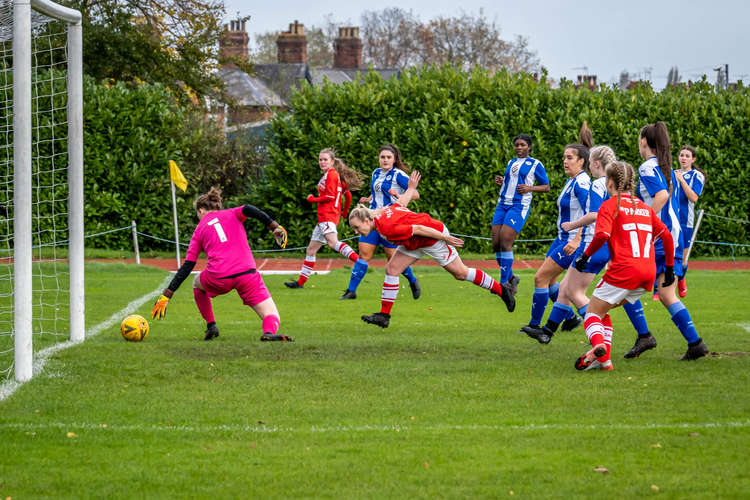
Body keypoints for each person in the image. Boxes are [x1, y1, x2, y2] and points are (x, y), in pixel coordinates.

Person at [525, 124, 655, 347]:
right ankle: (547, 331)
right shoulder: (616, 185)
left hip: (591, 244)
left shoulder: (597, 185)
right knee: (566, 288)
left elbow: (595, 214)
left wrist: (573, 228)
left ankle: (600, 339)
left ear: (595, 164)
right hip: (608, 246)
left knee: (576, 293)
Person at [349, 172, 515, 328]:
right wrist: (411, 189)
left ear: (366, 220)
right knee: (392, 269)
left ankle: (502, 290)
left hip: (432, 237)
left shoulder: (386, 227)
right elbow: (401, 203)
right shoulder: (382, 213)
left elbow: (419, 229)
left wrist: (445, 238)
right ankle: (384, 316)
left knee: (461, 273)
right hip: (415, 242)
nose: (356, 232)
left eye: (356, 227)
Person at [151, 187, 292, 342]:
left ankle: (211, 325)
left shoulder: (199, 230)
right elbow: (249, 209)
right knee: (271, 315)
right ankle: (269, 333)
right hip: (247, 273)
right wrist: (274, 226)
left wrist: (167, 294)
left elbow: (188, 265)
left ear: (201, 210)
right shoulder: (232, 213)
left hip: (219, 277)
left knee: (197, 283)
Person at [573, 161, 674, 371]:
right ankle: (604, 362)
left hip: (624, 271)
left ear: (610, 182)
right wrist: (671, 269)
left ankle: (599, 346)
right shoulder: (645, 208)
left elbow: (601, 235)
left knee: (591, 313)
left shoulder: (610, 205)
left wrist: (585, 255)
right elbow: (667, 236)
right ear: (632, 183)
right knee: (603, 312)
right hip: (647, 273)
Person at [633, 122, 708, 360]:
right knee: (666, 295)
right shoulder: (665, 167)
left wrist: (642, 222)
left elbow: (662, 197)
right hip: (671, 238)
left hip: (657, 240)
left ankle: (642, 336)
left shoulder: (647, 167)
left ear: (644, 141)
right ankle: (695, 344)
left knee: (618, 284)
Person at [521, 143, 590, 343]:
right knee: (551, 281)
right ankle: (569, 319)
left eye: (569, 158)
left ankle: (535, 325)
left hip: (571, 241)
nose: (564, 161)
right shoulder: (573, 180)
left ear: (581, 161)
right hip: (561, 238)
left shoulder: (582, 183)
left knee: (540, 278)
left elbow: (591, 212)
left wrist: (578, 239)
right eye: (564, 157)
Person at [341, 144, 421, 301]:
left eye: (388, 157)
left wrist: (398, 194)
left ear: (394, 159)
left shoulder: (398, 175)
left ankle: (412, 280)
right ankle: (351, 291)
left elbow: (415, 193)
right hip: (371, 219)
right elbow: (376, 192)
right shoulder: (376, 173)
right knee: (363, 254)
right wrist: (369, 199)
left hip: (390, 220)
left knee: (392, 258)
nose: (385, 160)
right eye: (382, 157)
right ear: (378, 159)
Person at [285, 149, 361, 290]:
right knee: (311, 250)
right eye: (320, 159)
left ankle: (359, 262)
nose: (322, 162)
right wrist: (344, 211)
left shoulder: (331, 175)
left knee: (333, 243)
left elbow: (331, 197)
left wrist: (313, 199)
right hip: (326, 217)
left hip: (327, 215)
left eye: (325, 159)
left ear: (332, 161)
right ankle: (300, 283)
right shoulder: (333, 175)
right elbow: (348, 194)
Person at [491, 134, 550, 296]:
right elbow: (511, 182)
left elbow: (546, 187)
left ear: (529, 147)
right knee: (496, 244)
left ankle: (504, 284)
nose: (519, 148)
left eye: (522, 145)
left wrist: (530, 188)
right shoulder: (511, 162)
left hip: (519, 206)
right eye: (517, 145)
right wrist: (502, 181)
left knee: (505, 241)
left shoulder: (536, 164)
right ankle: (511, 278)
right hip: (502, 204)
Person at [674, 145, 706, 297]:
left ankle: (681, 279)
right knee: (667, 253)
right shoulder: (673, 173)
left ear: (693, 159)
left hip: (685, 221)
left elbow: (693, 198)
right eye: (682, 155)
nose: (684, 158)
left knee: (683, 259)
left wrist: (681, 181)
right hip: (671, 219)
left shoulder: (696, 176)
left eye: (687, 156)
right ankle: (660, 288)